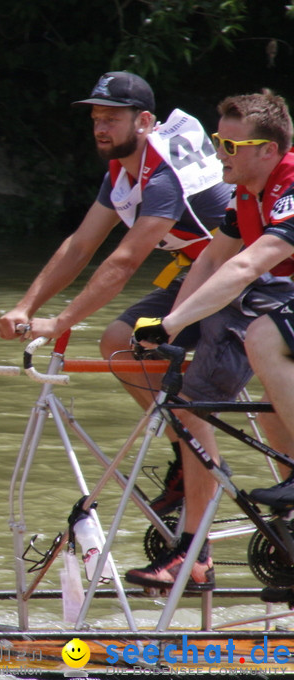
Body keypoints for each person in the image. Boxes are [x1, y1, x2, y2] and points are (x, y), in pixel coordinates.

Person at [0, 71, 230, 516]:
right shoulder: (122, 173)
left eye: (112, 119)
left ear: (143, 122)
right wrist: (26, 306)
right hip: (201, 272)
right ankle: (189, 455)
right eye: (96, 119)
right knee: (116, 344)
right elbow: (81, 244)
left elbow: (124, 262)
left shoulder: (162, 177)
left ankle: (200, 456)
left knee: (153, 364)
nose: (101, 128)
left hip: (240, 277)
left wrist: (61, 322)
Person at [129, 89, 294, 591]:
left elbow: (248, 266)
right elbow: (211, 260)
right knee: (199, 398)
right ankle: (209, 550)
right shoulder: (245, 191)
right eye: (218, 140)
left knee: (265, 334)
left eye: (229, 144)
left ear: (268, 150)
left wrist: (173, 325)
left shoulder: (291, 186)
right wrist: (174, 321)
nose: (217, 152)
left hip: (276, 304)